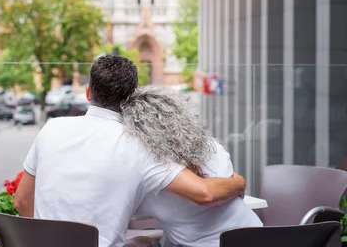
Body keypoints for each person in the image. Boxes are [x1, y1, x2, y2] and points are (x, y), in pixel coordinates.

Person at [14, 55, 246, 247]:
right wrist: (238, 183)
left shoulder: (51, 128)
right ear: (131, 99)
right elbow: (205, 193)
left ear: (88, 93)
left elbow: (23, 202)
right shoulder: (139, 146)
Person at [122, 86, 263, 247]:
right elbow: (238, 194)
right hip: (254, 234)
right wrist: (239, 182)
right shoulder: (211, 147)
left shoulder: (150, 173)